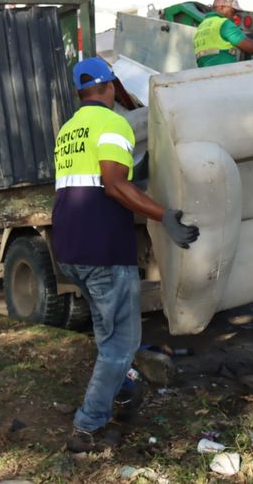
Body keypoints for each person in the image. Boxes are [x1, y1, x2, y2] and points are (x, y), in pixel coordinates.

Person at [52, 57, 200, 453]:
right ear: (112, 86)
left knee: (108, 335)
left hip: (70, 248)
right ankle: (88, 427)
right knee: (122, 342)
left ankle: (119, 396)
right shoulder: (113, 124)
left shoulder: (69, 129)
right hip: (102, 249)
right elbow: (114, 185)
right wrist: (164, 215)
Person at [193, 0, 253, 67]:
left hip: (206, 74)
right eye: (233, 12)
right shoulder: (224, 24)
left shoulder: (201, 26)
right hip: (225, 73)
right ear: (221, 7)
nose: (235, 17)